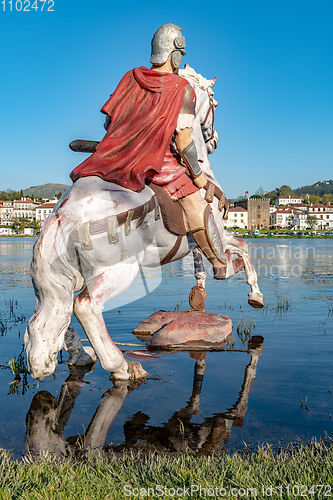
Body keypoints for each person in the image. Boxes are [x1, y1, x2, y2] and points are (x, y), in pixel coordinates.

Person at [70, 23, 226, 278]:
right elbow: (184, 141)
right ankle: (218, 262)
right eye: (181, 55)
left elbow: (110, 123)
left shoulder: (129, 77)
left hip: (116, 156)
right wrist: (198, 176)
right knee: (197, 205)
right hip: (159, 163)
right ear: (175, 53)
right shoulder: (182, 88)